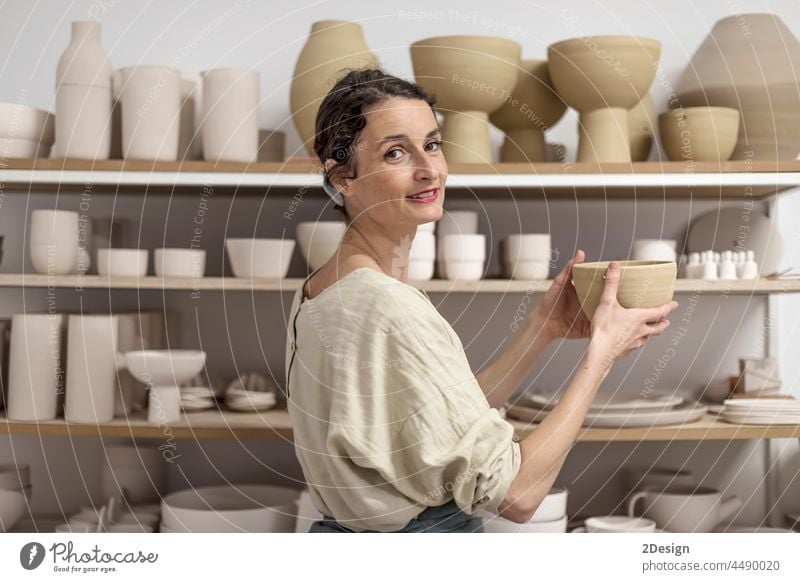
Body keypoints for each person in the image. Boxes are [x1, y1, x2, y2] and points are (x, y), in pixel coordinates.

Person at [285, 68, 678, 533]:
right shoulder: (387, 306)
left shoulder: (318, 288)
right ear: (342, 178)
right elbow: (517, 494)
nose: (429, 169)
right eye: (395, 152)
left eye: (432, 144)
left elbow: (446, 416)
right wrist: (602, 355)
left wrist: (541, 329)